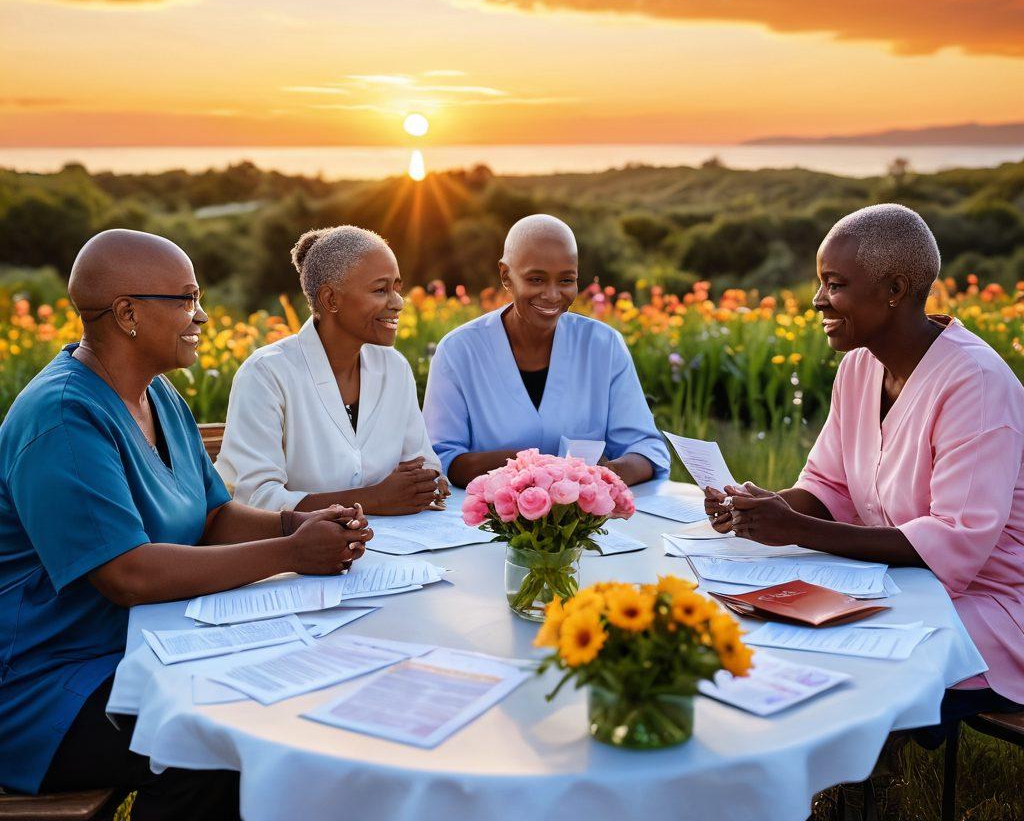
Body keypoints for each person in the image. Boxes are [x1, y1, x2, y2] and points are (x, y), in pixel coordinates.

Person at [0, 230, 372, 815]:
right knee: (222, 738)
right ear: (126, 313)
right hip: (51, 686)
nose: (201, 315)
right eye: (186, 299)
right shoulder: (64, 420)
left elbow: (214, 515)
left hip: (145, 646)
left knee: (298, 681)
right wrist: (293, 555)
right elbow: (128, 575)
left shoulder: (158, 394)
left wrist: (292, 525)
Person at [704, 204, 1024, 736]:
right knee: (762, 623)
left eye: (834, 284)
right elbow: (827, 486)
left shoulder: (976, 384)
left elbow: (953, 545)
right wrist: (765, 510)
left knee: (831, 662)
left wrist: (798, 530)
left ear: (895, 289)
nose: (817, 300)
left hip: (985, 610)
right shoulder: (858, 366)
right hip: (897, 583)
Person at [423, 214, 669, 487]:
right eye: (536, 280)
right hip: (486, 522)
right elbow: (441, 458)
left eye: (566, 281)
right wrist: (534, 466)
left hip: (585, 518)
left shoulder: (604, 346)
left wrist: (601, 476)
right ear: (506, 276)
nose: (552, 295)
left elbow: (646, 449)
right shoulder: (459, 351)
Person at [219, 225, 447, 515]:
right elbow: (255, 499)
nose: (398, 302)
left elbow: (423, 464)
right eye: (380, 290)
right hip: (298, 554)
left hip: (398, 548)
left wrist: (429, 482)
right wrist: (372, 499)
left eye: (397, 288)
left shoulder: (394, 367)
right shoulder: (266, 374)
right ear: (331, 300)